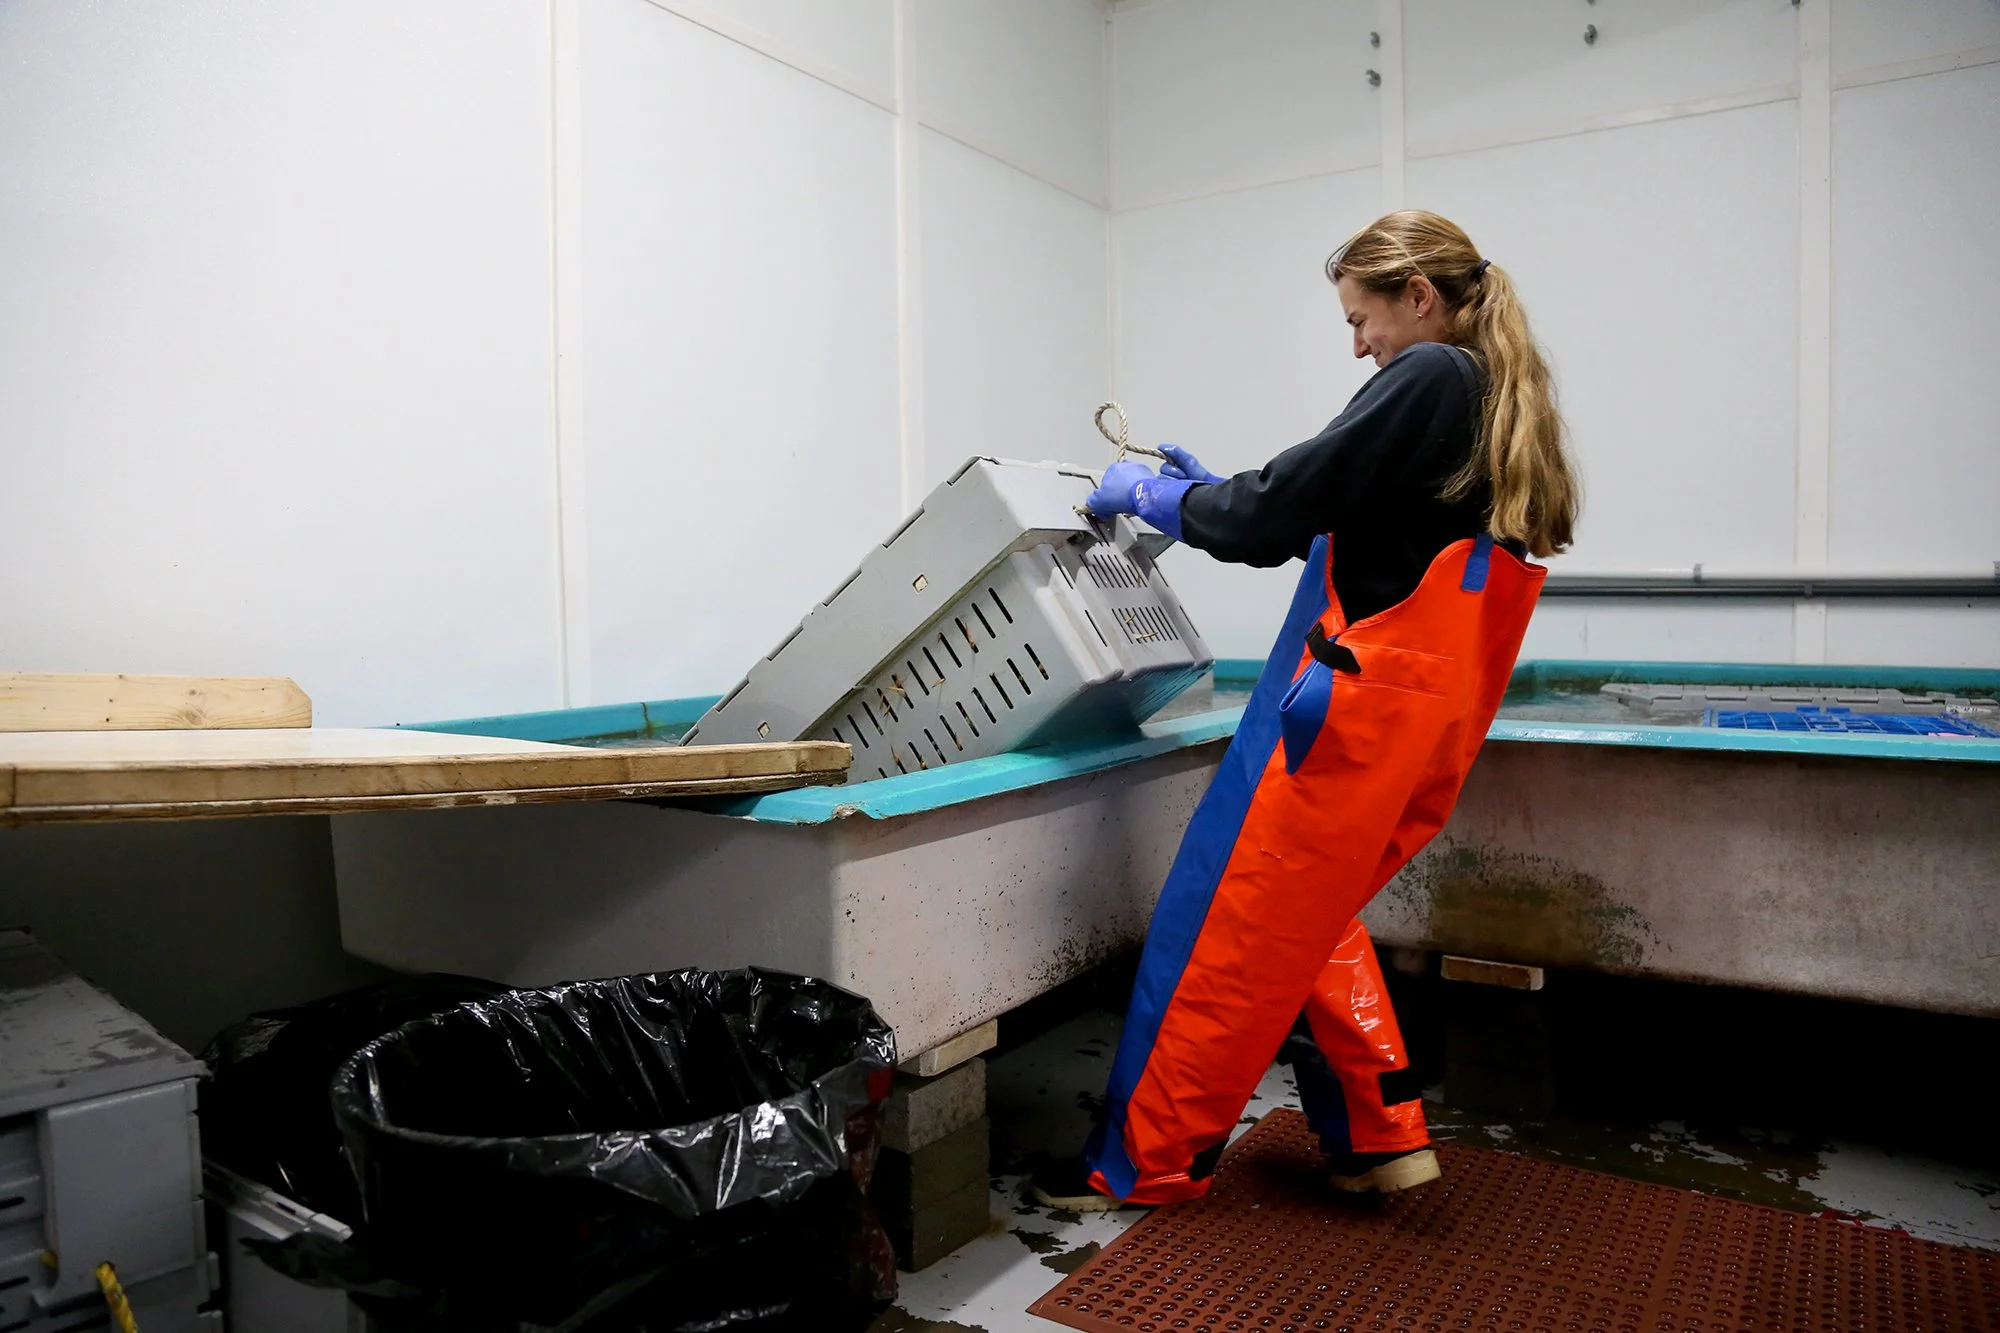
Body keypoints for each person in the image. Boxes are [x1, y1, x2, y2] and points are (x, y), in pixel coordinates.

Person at [1037, 209, 1579, 1211]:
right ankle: (1377, 1135)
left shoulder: (1428, 376)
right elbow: (1348, 521)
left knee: (1220, 930)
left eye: (1359, 317)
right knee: (1306, 918)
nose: (1357, 343)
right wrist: (1210, 493)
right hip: (1416, 721)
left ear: (1416, 296)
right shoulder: (1490, 394)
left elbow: (1271, 512)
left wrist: (1161, 500)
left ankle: (1140, 1163)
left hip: (1339, 712)